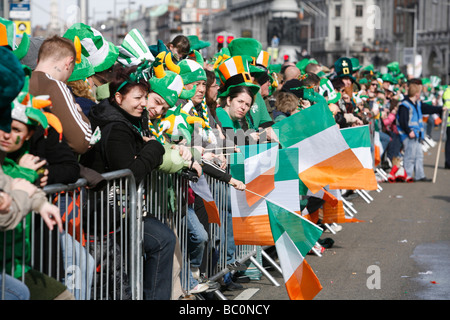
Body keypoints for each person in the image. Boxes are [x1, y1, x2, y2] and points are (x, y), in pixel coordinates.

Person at [29, 35, 92, 155]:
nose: (68, 78)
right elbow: (81, 142)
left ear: (38, 61)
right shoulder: (55, 86)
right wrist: (79, 112)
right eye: (71, 71)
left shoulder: (20, 81)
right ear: (68, 63)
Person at [396, 80, 445, 182]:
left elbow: (428, 108)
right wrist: (409, 131)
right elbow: (402, 121)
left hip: (417, 135)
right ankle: (407, 175)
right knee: (410, 156)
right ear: (416, 93)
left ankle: (420, 175)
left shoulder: (417, 103)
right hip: (408, 135)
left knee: (418, 155)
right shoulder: (404, 105)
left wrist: (440, 109)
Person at [444, 87, 450, 169]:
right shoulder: (447, 91)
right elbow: (447, 106)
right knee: (449, 143)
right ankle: (448, 162)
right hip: (449, 122)